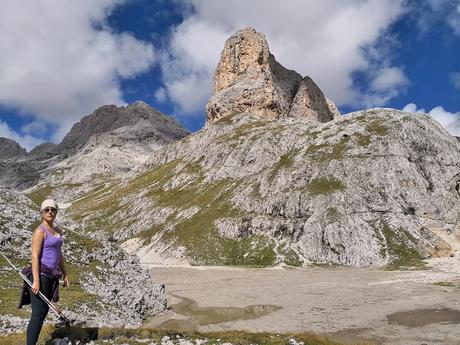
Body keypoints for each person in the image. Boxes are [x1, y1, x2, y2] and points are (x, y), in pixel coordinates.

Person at [26, 199, 69, 345]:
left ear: (56, 212)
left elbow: (59, 254)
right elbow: (35, 256)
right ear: (42, 213)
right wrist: (36, 280)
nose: (50, 212)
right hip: (41, 275)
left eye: (53, 210)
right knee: (38, 314)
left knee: (43, 312)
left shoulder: (58, 232)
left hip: (52, 276)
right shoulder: (40, 231)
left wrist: (65, 273)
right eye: (47, 210)